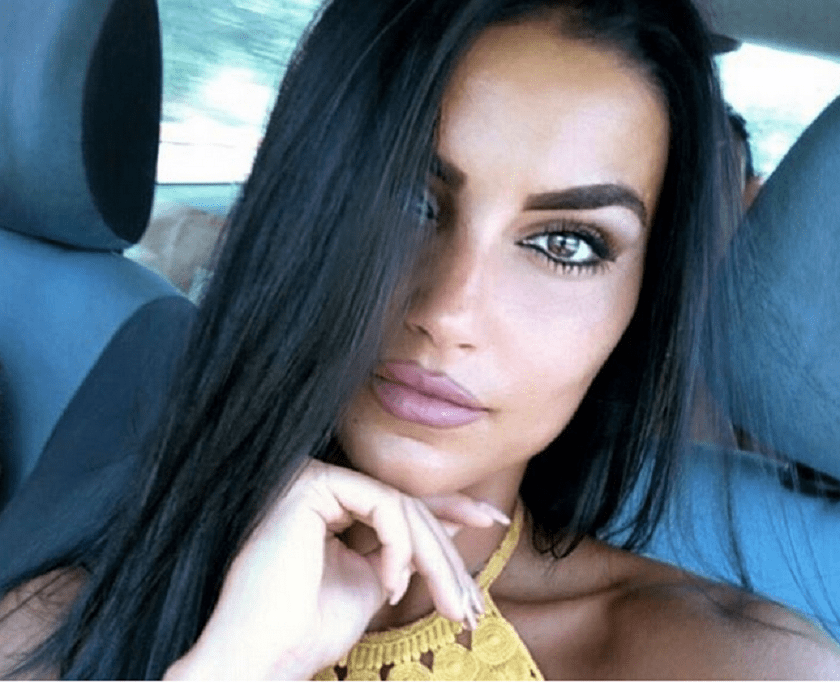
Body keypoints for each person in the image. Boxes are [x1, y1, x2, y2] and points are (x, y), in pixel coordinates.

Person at [1, 0, 839, 679]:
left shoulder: (740, 666)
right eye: (408, 199)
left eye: (567, 244)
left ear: (638, 309)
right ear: (306, 211)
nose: (450, 311)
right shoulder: (62, 621)